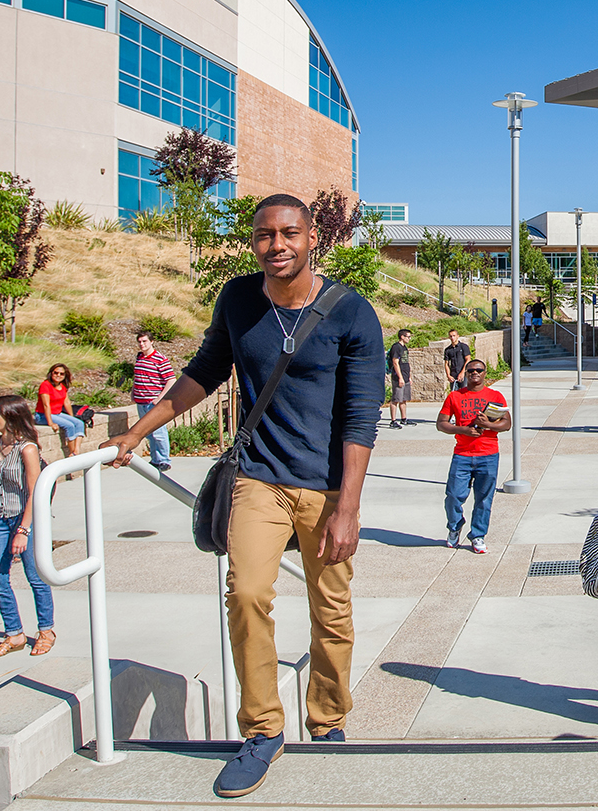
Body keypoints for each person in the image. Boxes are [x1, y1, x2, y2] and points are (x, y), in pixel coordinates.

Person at [99, 193, 381, 797]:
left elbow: (361, 417)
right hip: (258, 478)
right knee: (247, 592)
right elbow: (203, 373)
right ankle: (262, 731)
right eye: (263, 235)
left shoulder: (351, 314)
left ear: (312, 238)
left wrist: (348, 507)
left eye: (288, 234)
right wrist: (136, 433)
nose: (275, 246)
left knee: (330, 607)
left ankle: (328, 722)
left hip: (329, 487)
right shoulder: (237, 298)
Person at [0, 394, 54, 658]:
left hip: (23, 520)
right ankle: (15, 633)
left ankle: (46, 630)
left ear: (10, 416)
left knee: (36, 578)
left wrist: (23, 530)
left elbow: (35, 492)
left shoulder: (27, 449)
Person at [438, 357, 508, 552]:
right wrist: (462, 430)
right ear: (466, 374)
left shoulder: (495, 396)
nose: (475, 373)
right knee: (453, 495)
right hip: (462, 454)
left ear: (485, 373)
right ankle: (454, 527)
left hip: (488, 454)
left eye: (479, 370)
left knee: (484, 498)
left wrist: (488, 425)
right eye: (471, 371)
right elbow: (441, 423)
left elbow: (507, 423)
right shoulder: (455, 396)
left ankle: (478, 535)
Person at [131, 332, 175, 470]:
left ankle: (164, 460)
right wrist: (133, 392)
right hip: (141, 401)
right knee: (148, 433)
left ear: (151, 341)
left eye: (144, 341)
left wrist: (159, 398)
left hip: (153, 402)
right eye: (139, 342)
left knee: (159, 432)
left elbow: (171, 380)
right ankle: (155, 459)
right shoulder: (140, 358)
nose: (142, 344)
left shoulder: (160, 359)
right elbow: (137, 377)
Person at [35, 363, 84, 455]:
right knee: (69, 426)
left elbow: (67, 402)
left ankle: (76, 451)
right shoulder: (45, 385)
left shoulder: (62, 386)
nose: (58, 375)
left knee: (79, 423)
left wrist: (71, 417)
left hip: (57, 413)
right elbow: (46, 405)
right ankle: (71, 452)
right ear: (51, 373)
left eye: (61, 374)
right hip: (42, 415)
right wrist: (50, 423)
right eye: (56, 373)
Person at [387, 327, 413, 429]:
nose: (409, 339)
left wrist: (409, 377)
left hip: (406, 376)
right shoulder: (396, 347)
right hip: (399, 377)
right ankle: (393, 420)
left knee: (404, 399)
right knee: (396, 399)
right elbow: (395, 362)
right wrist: (400, 378)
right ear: (402, 337)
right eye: (408, 336)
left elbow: (406, 362)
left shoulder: (404, 348)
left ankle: (404, 418)